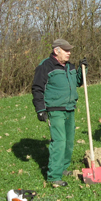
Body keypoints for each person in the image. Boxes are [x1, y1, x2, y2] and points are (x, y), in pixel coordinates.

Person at [32, 39, 87, 187]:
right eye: (66, 50)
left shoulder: (70, 66)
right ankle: (54, 176)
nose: (69, 53)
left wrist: (83, 69)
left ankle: (62, 168)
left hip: (70, 107)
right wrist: (40, 109)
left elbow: (78, 82)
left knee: (69, 141)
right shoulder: (45, 67)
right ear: (57, 51)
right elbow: (37, 88)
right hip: (55, 109)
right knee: (59, 141)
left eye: (70, 50)